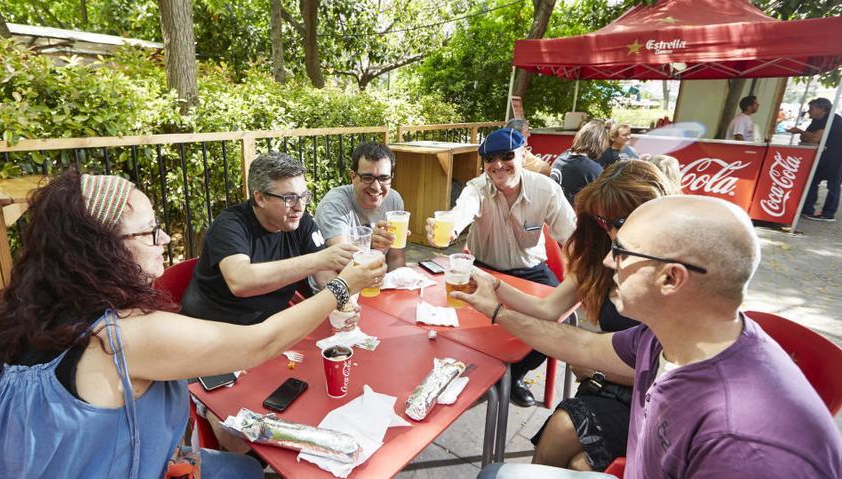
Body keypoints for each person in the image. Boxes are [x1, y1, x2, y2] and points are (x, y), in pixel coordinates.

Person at [0, 170, 385, 478]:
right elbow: (261, 342)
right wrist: (344, 287)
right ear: (100, 250)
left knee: (242, 470)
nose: (166, 240)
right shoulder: (120, 336)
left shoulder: (38, 311)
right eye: (151, 232)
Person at [463, 195, 842, 479]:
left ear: (670, 278)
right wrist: (494, 310)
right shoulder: (667, 336)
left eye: (621, 251)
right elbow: (581, 345)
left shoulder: (744, 446)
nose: (607, 261)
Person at [466, 160, 675, 472]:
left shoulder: (673, 276)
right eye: (603, 222)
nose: (612, 240)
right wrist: (495, 287)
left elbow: (661, 370)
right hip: (609, 378)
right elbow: (550, 310)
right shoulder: (602, 252)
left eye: (618, 222)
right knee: (564, 435)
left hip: (651, 395)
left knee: (577, 457)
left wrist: (597, 370)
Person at [424, 127, 576, 407]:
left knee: (561, 320)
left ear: (523, 154)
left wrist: (581, 274)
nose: (498, 165)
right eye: (490, 159)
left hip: (531, 270)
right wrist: (445, 231)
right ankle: (483, 375)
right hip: (484, 270)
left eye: (507, 156)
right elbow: (459, 214)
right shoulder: (476, 189)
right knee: (451, 318)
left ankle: (510, 376)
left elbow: (573, 239)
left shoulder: (546, 190)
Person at [181, 151, 359, 325]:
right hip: (213, 329)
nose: (299, 207)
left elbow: (324, 275)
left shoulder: (301, 223)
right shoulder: (230, 225)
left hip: (269, 328)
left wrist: (344, 303)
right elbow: (240, 282)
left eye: (304, 196)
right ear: (260, 198)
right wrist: (318, 260)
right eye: (289, 198)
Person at [315, 141, 406, 271]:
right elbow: (345, 265)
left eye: (384, 178)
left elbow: (396, 258)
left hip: (376, 281)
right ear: (353, 177)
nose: (376, 187)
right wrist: (371, 245)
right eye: (367, 177)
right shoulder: (334, 204)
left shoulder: (394, 199)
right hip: (335, 284)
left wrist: (401, 286)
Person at [788, 97, 842, 222]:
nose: (808, 112)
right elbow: (805, 138)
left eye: (811, 109)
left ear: (822, 109)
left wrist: (801, 131)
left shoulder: (832, 119)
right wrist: (806, 134)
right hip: (827, 152)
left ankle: (828, 213)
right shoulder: (816, 121)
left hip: (841, 153)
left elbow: (813, 139)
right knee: (812, 178)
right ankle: (807, 209)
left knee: (833, 182)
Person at [550, 121, 609, 205]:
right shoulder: (592, 169)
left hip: (553, 210)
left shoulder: (562, 157)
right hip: (574, 215)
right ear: (600, 143)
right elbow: (603, 202)